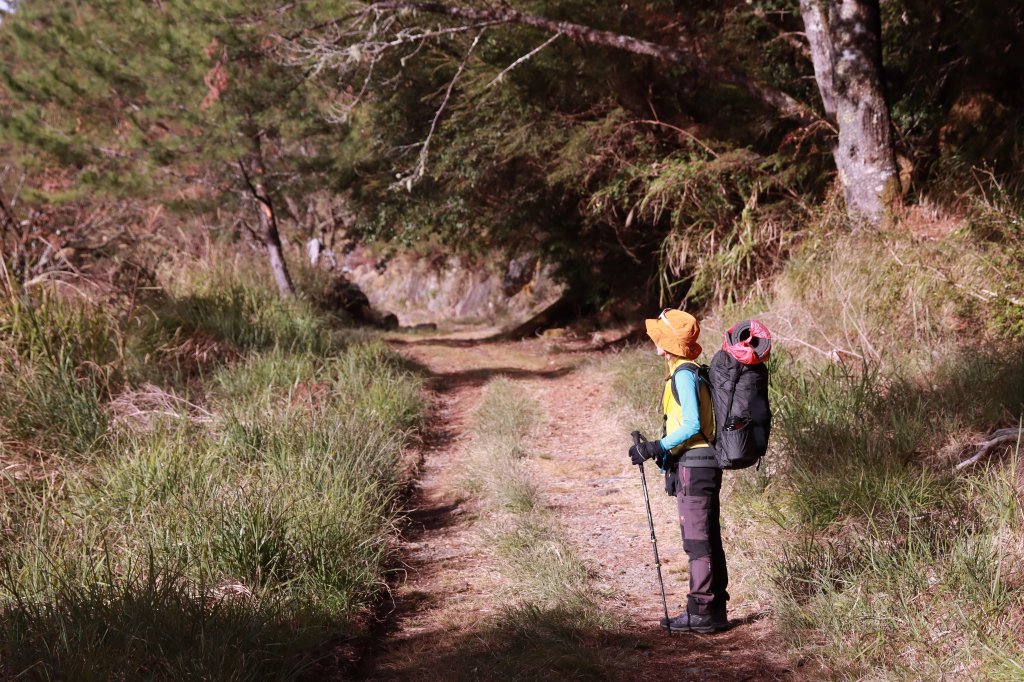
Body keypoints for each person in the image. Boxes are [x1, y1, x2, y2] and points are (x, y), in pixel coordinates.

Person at [627, 308, 728, 633]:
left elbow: (692, 424)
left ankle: (701, 612)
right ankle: (715, 610)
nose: (654, 340)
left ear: (669, 343)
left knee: (697, 543)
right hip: (704, 463)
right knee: (709, 538)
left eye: (659, 336)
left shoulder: (684, 374)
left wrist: (655, 447)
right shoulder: (691, 371)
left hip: (695, 467)